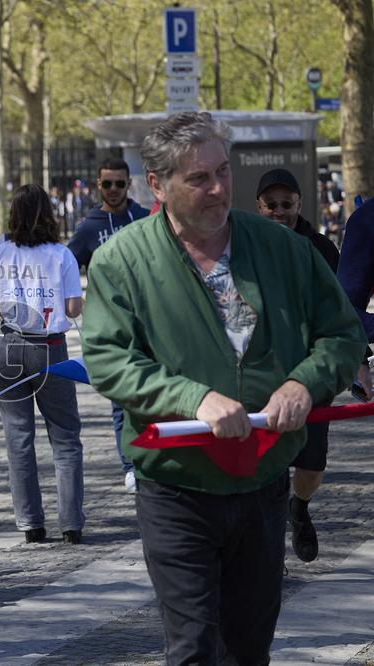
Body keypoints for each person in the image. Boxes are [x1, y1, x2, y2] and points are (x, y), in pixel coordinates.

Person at [81, 112, 365, 665]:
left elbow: (342, 334)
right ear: (157, 186)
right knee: (191, 649)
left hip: (262, 482)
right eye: (198, 178)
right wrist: (194, 399)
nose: (218, 189)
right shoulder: (123, 260)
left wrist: (302, 384)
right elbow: (108, 358)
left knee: (248, 648)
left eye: (223, 172)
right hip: (176, 486)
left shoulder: (281, 248)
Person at [0, 184, 86, 545]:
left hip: (8, 346)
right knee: (65, 437)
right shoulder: (61, 255)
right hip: (49, 348)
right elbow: (72, 309)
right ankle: (71, 522)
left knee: (18, 437)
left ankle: (30, 523)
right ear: (49, 214)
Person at [256, 168, 342, 563]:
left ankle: (300, 507)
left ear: (299, 204)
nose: (278, 212)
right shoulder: (245, 247)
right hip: (260, 373)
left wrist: (356, 361)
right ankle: (269, 547)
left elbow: (343, 313)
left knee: (311, 466)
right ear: (259, 207)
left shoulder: (322, 249)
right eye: (271, 205)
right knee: (267, 465)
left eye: (285, 204)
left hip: (312, 373)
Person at [68, 157, 150, 494]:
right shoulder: (89, 227)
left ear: (129, 184)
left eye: (119, 183)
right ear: (98, 185)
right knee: (120, 400)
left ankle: (153, 459)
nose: (113, 190)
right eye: (107, 184)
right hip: (111, 329)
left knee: (151, 394)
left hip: (148, 324)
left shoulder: (145, 219)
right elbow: (65, 268)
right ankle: (130, 466)